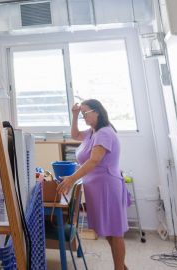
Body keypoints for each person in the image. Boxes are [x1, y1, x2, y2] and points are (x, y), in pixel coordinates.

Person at [59, 99, 130, 270]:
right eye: (81, 113)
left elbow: (94, 161)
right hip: (98, 188)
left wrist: (71, 178)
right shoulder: (93, 132)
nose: (83, 116)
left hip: (107, 187)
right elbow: (75, 135)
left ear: (97, 112)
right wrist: (74, 115)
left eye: (85, 113)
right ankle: (122, 267)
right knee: (109, 233)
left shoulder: (104, 133)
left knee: (115, 232)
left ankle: (119, 268)